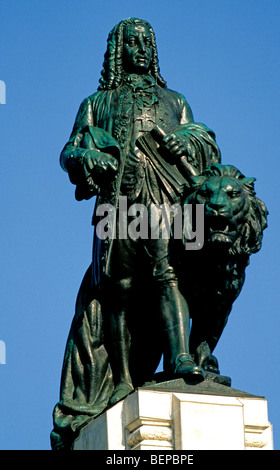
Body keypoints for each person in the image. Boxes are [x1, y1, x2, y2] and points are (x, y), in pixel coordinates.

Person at [51, 17, 221, 450]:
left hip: (165, 195)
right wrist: (90, 154)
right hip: (120, 201)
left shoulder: (175, 99)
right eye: (133, 42)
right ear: (118, 50)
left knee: (169, 272)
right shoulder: (96, 102)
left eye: (148, 41)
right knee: (118, 288)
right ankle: (125, 378)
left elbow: (200, 136)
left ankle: (181, 355)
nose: (141, 48)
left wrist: (190, 140)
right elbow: (70, 150)